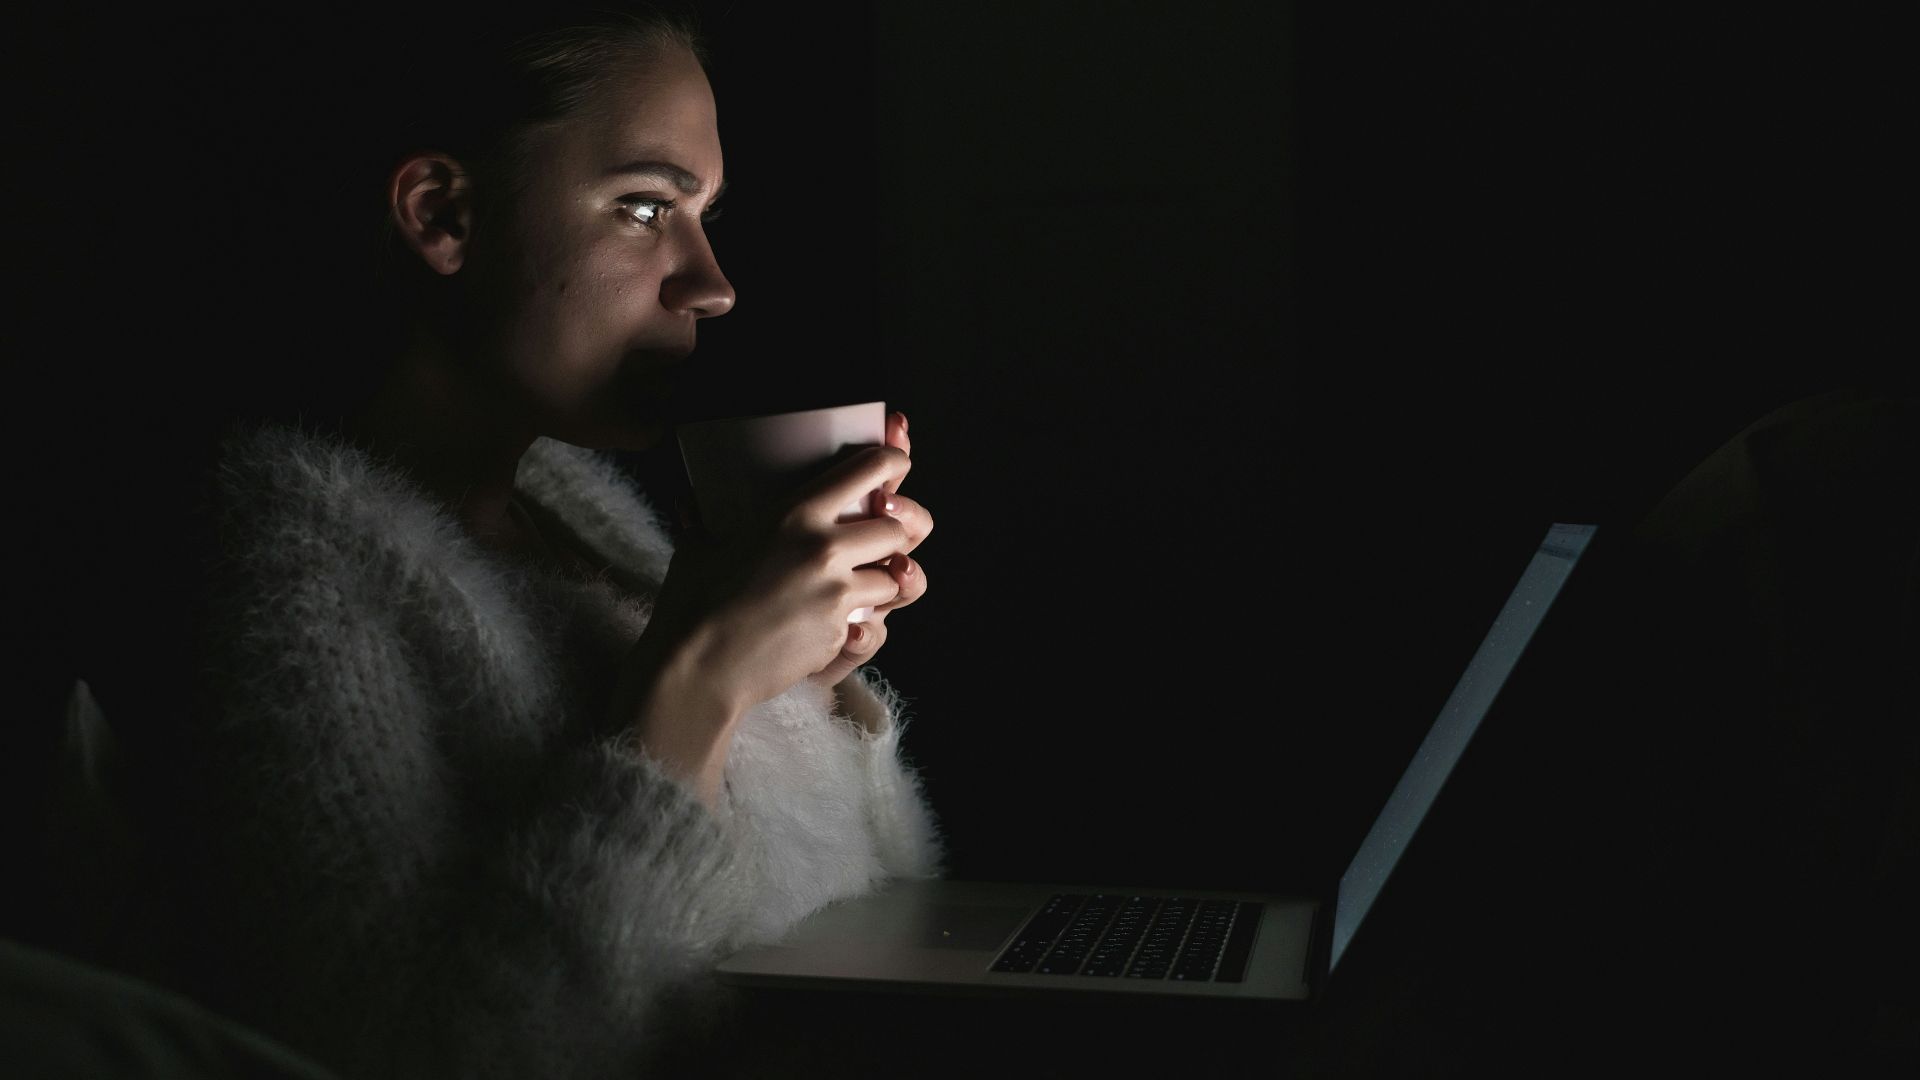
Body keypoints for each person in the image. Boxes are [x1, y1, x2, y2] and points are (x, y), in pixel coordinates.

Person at [61, 8, 945, 1079]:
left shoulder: (579, 512)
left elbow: (880, 922)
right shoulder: (285, 567)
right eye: (645, 207)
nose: (711, 283)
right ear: (442, 215)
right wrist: (699, 682)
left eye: (704, 214)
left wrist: (809, 678)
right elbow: (438, 1052)